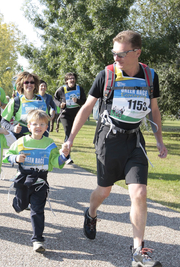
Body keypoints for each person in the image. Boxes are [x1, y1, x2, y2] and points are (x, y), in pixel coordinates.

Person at [64, 31, 167, 267]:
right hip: (108, 140)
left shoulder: (150, 76)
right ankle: (90, 213)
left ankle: (138, 252)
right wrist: (70, 139)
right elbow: (86, 108)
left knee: (139, 194)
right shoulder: (107, 75)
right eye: (114, 53)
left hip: (135, 142)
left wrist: (159, 139)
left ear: (136, 52)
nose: (116, 58)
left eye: (120, 54)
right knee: (104, 192)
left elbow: (154, 110)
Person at [3, 109, 69, 252]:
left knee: (37, 210)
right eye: (35, 124)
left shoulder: (50, 144)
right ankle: (18, 202)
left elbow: (55, 162)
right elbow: (7, 155)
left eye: (42, 124)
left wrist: (63, 156)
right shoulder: (21, 142)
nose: (38, 127)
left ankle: (38, 240)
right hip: (23, 180)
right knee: (21, 206)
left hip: (40, 182)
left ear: (47, 127)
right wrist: (15, 158)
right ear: (29, 125)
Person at [1, 71, 47, 139]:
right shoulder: (16, 101)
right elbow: (3, 122)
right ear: (22, 85)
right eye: (26, 82)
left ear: (35, 85)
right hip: (20, 138)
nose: (29, 84)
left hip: (37, 138)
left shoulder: (40, 100)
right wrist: (13, 128)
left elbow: (46, 120)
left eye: (32, 82)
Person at [54, 72, 86, 164]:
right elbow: (55, 99)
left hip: (76, 115)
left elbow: (84, 101)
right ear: (66, 81)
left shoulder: (80, 89)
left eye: (73, 78)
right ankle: (67, 157)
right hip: (65, 115)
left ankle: (63, 151)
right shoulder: (62, 89)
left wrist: (77, 101)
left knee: (70, 135)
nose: (71, 80)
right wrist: (60, 104)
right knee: (68, 134)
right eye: (69, 78)